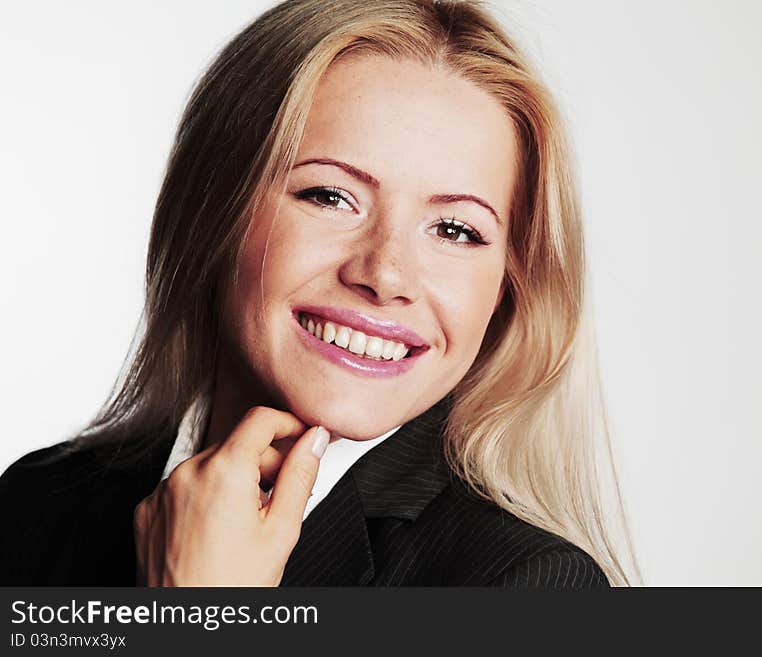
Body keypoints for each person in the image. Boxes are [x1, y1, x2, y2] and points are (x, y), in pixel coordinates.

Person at [0, 0, 640, 587]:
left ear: (507, 284)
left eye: (455, 229)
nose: (384, 275)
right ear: (214, 211)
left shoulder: (529, 588)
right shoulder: (34, 503)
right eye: (330, 196)